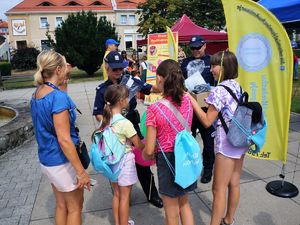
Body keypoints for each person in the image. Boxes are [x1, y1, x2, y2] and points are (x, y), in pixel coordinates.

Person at [93, 51, 163, 208]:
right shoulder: (102, 90)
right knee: (117, 166)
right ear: (107, 68)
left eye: (120, 68)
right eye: (114, 69)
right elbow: (98, 113)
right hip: (115, 135)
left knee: (143, 164)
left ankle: (152, 194)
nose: (118, 72)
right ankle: (121, 197)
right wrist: (112, 124)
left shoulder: (130, 80)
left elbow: (150, 89)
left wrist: (168, 86)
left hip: (132, 129)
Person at [31, 50, 90, 225]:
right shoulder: (57, 98)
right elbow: (64, 139)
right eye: (65, 64)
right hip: (62, 160)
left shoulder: (38, 92)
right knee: (74, 207)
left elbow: (60, 93)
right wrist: (81, 172)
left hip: (48, 159)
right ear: (57, 69)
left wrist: (65, 77)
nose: (68, 66)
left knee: (61, 205)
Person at [188, 51, 247, 225]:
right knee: (234, 183)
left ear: (224, 67)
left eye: (214, 66)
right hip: (240, 139)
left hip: (226, 144)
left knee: (218, 189)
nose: (211, 69)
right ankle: (228, 220)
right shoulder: (237, 86)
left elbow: (207, 121)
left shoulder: (219, 90)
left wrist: (191, 100)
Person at [143, 59, 196, 225]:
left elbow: (150, 150)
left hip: (167, 160)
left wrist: (143, 154)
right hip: (186, 158)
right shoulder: (187, 100)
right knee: (184, 204)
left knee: (171, 212)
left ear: (159, 78)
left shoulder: (154, 109)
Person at [95, 84, 144, 225]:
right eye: (127, 97)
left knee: (116, 194)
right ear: (122, 100)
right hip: (124, 163)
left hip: (112, 163)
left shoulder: (105, 120)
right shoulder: (125, 123)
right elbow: (139, 145)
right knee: (125, 197)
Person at [181, 35, 215, 183]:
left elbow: (218, 81)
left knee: (208, 143)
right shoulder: (185, 63)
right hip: (189, 108)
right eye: (192, 48)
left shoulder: (212, 61)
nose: (195, 50)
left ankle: (207, 170)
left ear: (204, 45)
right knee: (188, 140)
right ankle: (189, 167)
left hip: (207, 108)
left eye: (198, 47)